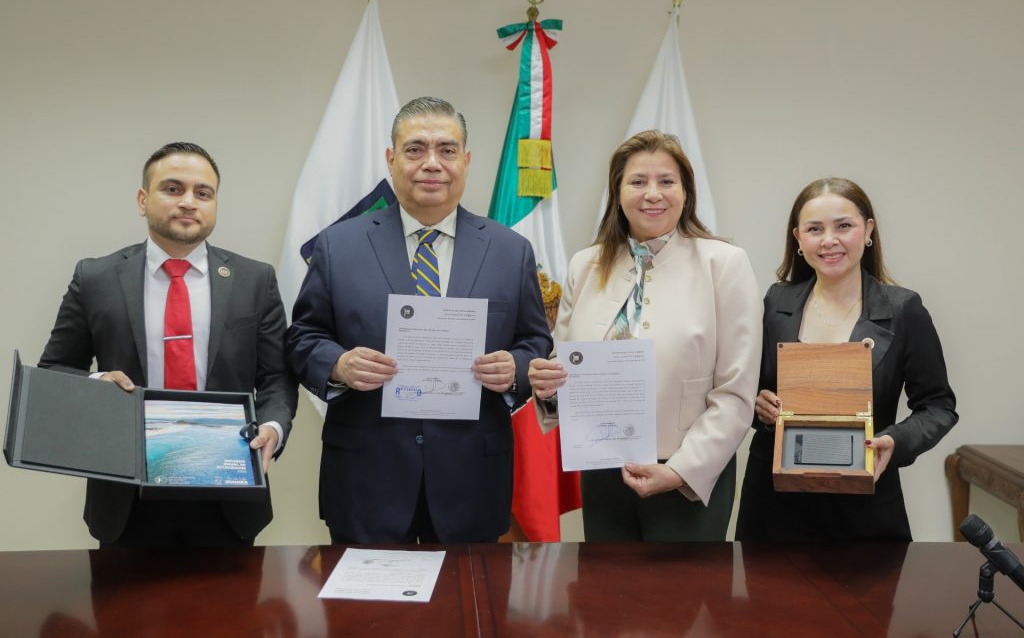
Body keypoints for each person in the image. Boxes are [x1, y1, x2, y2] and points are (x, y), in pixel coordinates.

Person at [285, 96, 552, 544]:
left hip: (472, 480)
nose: (432, 163)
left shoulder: (510, 250)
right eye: (415, 149)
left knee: (469, 593)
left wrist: (515, 370)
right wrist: (339, 365)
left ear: (466, 161)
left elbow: (535, 342)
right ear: (391, 159)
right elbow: (303, 337)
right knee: (364, 594)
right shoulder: (338, 245)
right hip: (367, 478)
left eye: (447, 150)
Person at [39, 142, 297, 547]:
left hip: (228, 490)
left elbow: (277, 377)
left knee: (232, 593)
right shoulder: (95, 278)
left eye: (203, 193)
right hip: (126, 496)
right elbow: (55, 370)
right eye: (173, 189)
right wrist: (97, 384)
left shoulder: (254, 280)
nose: (189, 202)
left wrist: (272, 428)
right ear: (143, 200)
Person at [527, 130, 761, 541]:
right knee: (605, 582)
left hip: (688, 478)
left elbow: (736, 393)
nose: (653, 193)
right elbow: (566, 368)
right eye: (637, 181)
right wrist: (548, 387)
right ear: (618, 193)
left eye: (667, 181)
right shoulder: (585, 265)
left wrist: (680, 470)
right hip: (602, 470)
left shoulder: (724, 264)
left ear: (685, 192)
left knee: (684, 585)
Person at [735, 178, 957, 542]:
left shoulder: (904, 310)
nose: (829, 240)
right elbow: (745, 387)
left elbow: (938, 407)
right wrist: (757, 403)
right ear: (798, 238)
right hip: (774, 505)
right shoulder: (776, 302)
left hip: (865, 506)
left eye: (843, 226)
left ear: (868, 230)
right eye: (814, 229)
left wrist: (895, 441)